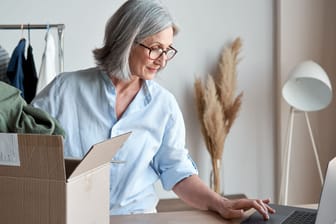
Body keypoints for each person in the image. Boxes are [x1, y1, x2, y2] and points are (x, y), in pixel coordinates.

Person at [31, 0, 275, 220]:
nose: (162, 60)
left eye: (168, 50)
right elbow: (28, 153)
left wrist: (221, 203)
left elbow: (177, 172)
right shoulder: (64, 90)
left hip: (137, 218)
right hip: (73, 217)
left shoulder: (163, 106)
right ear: (126, 41)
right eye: (155, 48)